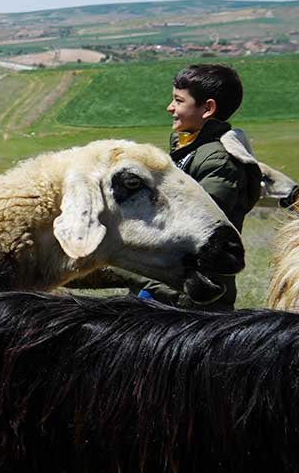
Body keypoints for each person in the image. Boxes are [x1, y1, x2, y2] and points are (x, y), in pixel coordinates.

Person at [84, 64, 261, 310]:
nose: (170, 107)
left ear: (208, 108)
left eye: (178, 100)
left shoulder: (218, 161)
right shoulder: (190, 150)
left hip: (193, 298)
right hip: (166, 291)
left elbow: (197, 232)